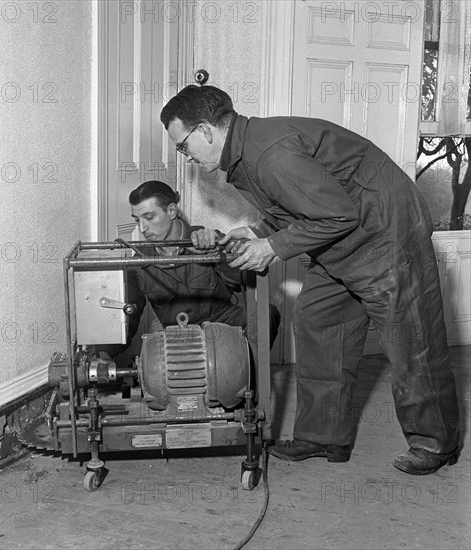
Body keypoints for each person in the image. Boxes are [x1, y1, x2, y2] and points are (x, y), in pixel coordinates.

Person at [160, 84, 460, 475]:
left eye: (183, 146)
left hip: (386, 231)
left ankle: (436, 442)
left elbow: (336, 215)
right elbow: (297, 204)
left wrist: (271, 248)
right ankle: (324, 436)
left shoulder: (270, 155)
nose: (186, 156)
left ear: (205, 130)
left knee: (409, 335)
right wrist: (257, 232)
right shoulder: (246, 153)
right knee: (319, 320)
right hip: (343, 238)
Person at [94, 180, 280, 360]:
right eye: (137, 220)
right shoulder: (141, 261)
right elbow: (128, 313)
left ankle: (247, 383)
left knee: (266, 314)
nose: (142, 228)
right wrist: (103, 353)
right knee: (154, 373)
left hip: (222, 324)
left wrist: (218, 251)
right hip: (178, 335)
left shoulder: (206, 240)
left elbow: (241, 279)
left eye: (149, 218)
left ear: (172, 211)